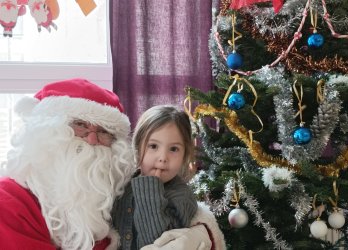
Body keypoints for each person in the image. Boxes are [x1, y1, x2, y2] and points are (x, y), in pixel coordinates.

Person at [0, 79, 226, 250]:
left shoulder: (104, 187)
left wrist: (203, 234)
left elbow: (188, 209)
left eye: (103, 131)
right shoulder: (9, 200)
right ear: (47, 130)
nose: (91, 139)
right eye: (80, 125)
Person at [112, 105, 198, 249]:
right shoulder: (122, 182)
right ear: (138, 147)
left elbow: (156, 242)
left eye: (174, 149)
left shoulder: (182, 196)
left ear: (185, 155)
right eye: (153, 146)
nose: (163, 158)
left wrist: (150, 188)